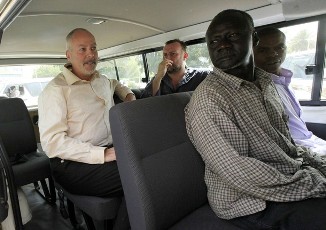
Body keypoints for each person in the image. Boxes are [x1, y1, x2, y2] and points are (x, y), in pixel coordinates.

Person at [185, 9, 326, 230]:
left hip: (286, 176)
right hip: (249, 201)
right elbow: (238, 172)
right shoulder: (209, 100)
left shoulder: (265, 83)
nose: (222, 45)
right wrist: (311, 184)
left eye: (231, 36)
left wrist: (313, 168)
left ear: (254, 38)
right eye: (214, 41)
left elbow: (285, 143)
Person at [38, 28, 135, 229]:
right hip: (71, 163)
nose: (91, 54)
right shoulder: (55, 90)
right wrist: (103, 153)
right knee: (137, 174)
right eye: (82, 49)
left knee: (146, 164)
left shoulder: (101, 79)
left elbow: (115, 84)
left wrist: (128, 95)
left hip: (110, 150)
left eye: (93, 48)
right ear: (69, 55)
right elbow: (52, 142)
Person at [254, 27, 326, 156]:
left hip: (313, 142)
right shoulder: (257, 88)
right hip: (298, 151)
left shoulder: (283, 81)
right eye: (263, 50)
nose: (273, 54)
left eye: (279, 47)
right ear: (251, 53)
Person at [141, 39, 209, 98]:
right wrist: (158, 77)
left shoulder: (202, 76)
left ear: (185, 56)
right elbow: (144, 104)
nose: (168, 58)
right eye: (165, 55)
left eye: (173, 54)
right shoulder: (158, 79)